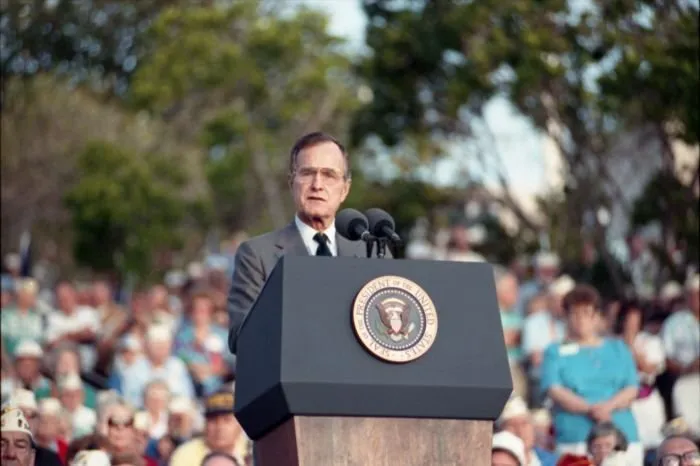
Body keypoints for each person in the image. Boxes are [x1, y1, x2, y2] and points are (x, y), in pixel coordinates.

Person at [227, 132, 373, 353]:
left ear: (345, 189)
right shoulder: (257, 255)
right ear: (291, 183)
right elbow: (241, 337)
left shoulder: (369, 253)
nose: (317, 184)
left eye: (329, 175)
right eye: (307, 173)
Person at [540, 285, 643, 465]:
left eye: (587, 313)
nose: (581, 320)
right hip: (576, 437)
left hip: (621, 434)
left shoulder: (618, 348)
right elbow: (554, 389)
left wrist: (608, 407)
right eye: (575, 314)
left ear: (597, 316)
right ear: (565, 317)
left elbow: (632, 388)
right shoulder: (554, 351)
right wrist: (591, 410)